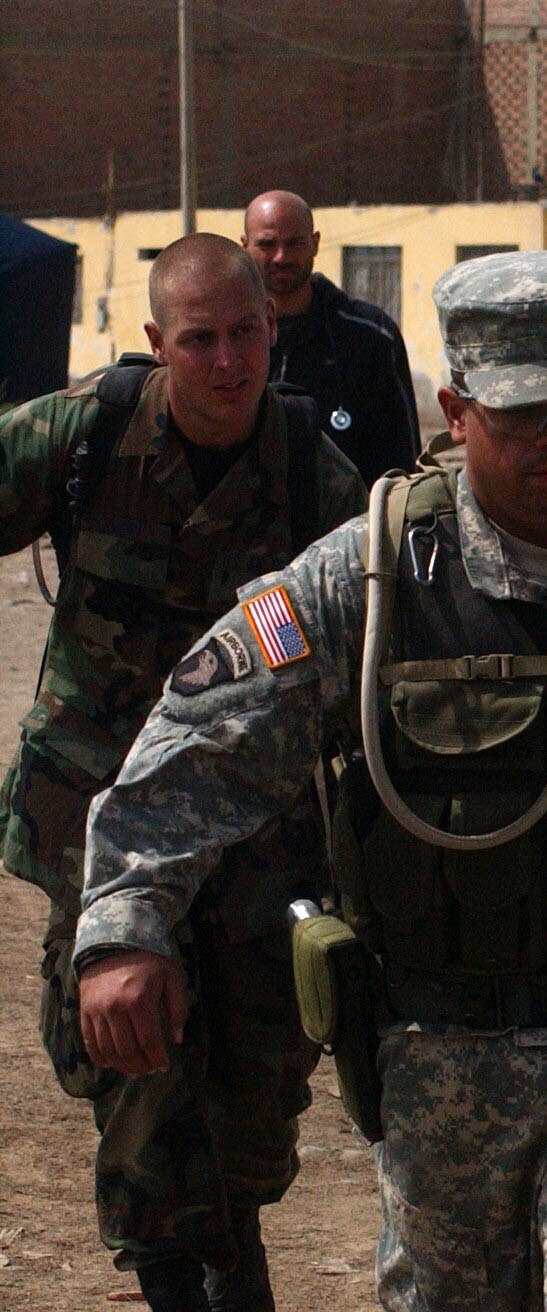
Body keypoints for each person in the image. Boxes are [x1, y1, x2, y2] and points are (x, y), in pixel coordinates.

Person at [71, 249, 547, 1311]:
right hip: (442, 1071)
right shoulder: (362, 580)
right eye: (521, 412)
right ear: (457, 409)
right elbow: (202, 744)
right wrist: (126, 922)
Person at [0, 232, 365, 1311]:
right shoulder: (86, 433)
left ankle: (224, 1236)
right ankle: (181, 1271)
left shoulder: (313, 471)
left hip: (258, 824)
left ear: (270, 331)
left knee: (258, 1088)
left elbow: (377, 640)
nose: (225, 362)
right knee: (139, 1065)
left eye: (244, 334)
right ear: (158, 342)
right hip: (100, 813)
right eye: (198, 339)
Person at [243, 189, 422, 485]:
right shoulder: (226, 340)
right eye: (267, 244)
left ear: (315, 243)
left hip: (349, 526)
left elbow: (400, 470)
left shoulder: (370, 337)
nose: (281, 256)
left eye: (294, 243)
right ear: (245, 247)